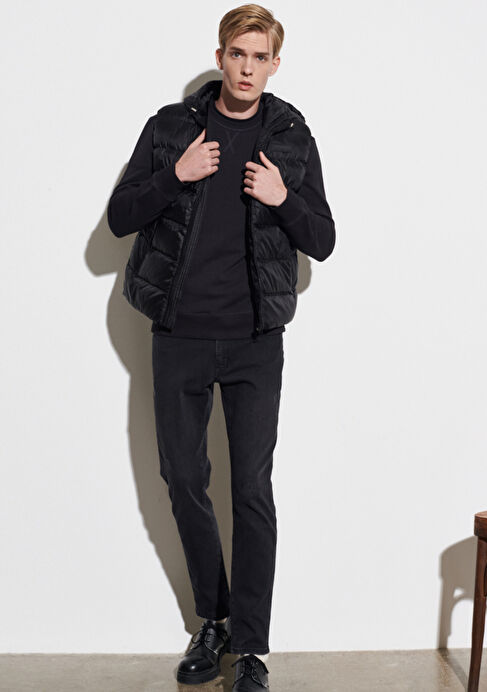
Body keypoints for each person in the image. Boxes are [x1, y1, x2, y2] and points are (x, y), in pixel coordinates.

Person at [107, 4, 336, 689]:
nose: (246, 68)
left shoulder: (290, 136)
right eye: (237, 54)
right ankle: (214, 619)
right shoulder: (171, 127)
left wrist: (282, 196)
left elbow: (322, 239)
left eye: (259, 57)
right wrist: (173, 175)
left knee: (252, 490)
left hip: (254, 341)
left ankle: (252, 650)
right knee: (182, 479)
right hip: (178, 333)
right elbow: (120, 217)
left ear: (274, 64)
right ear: (220, 56)